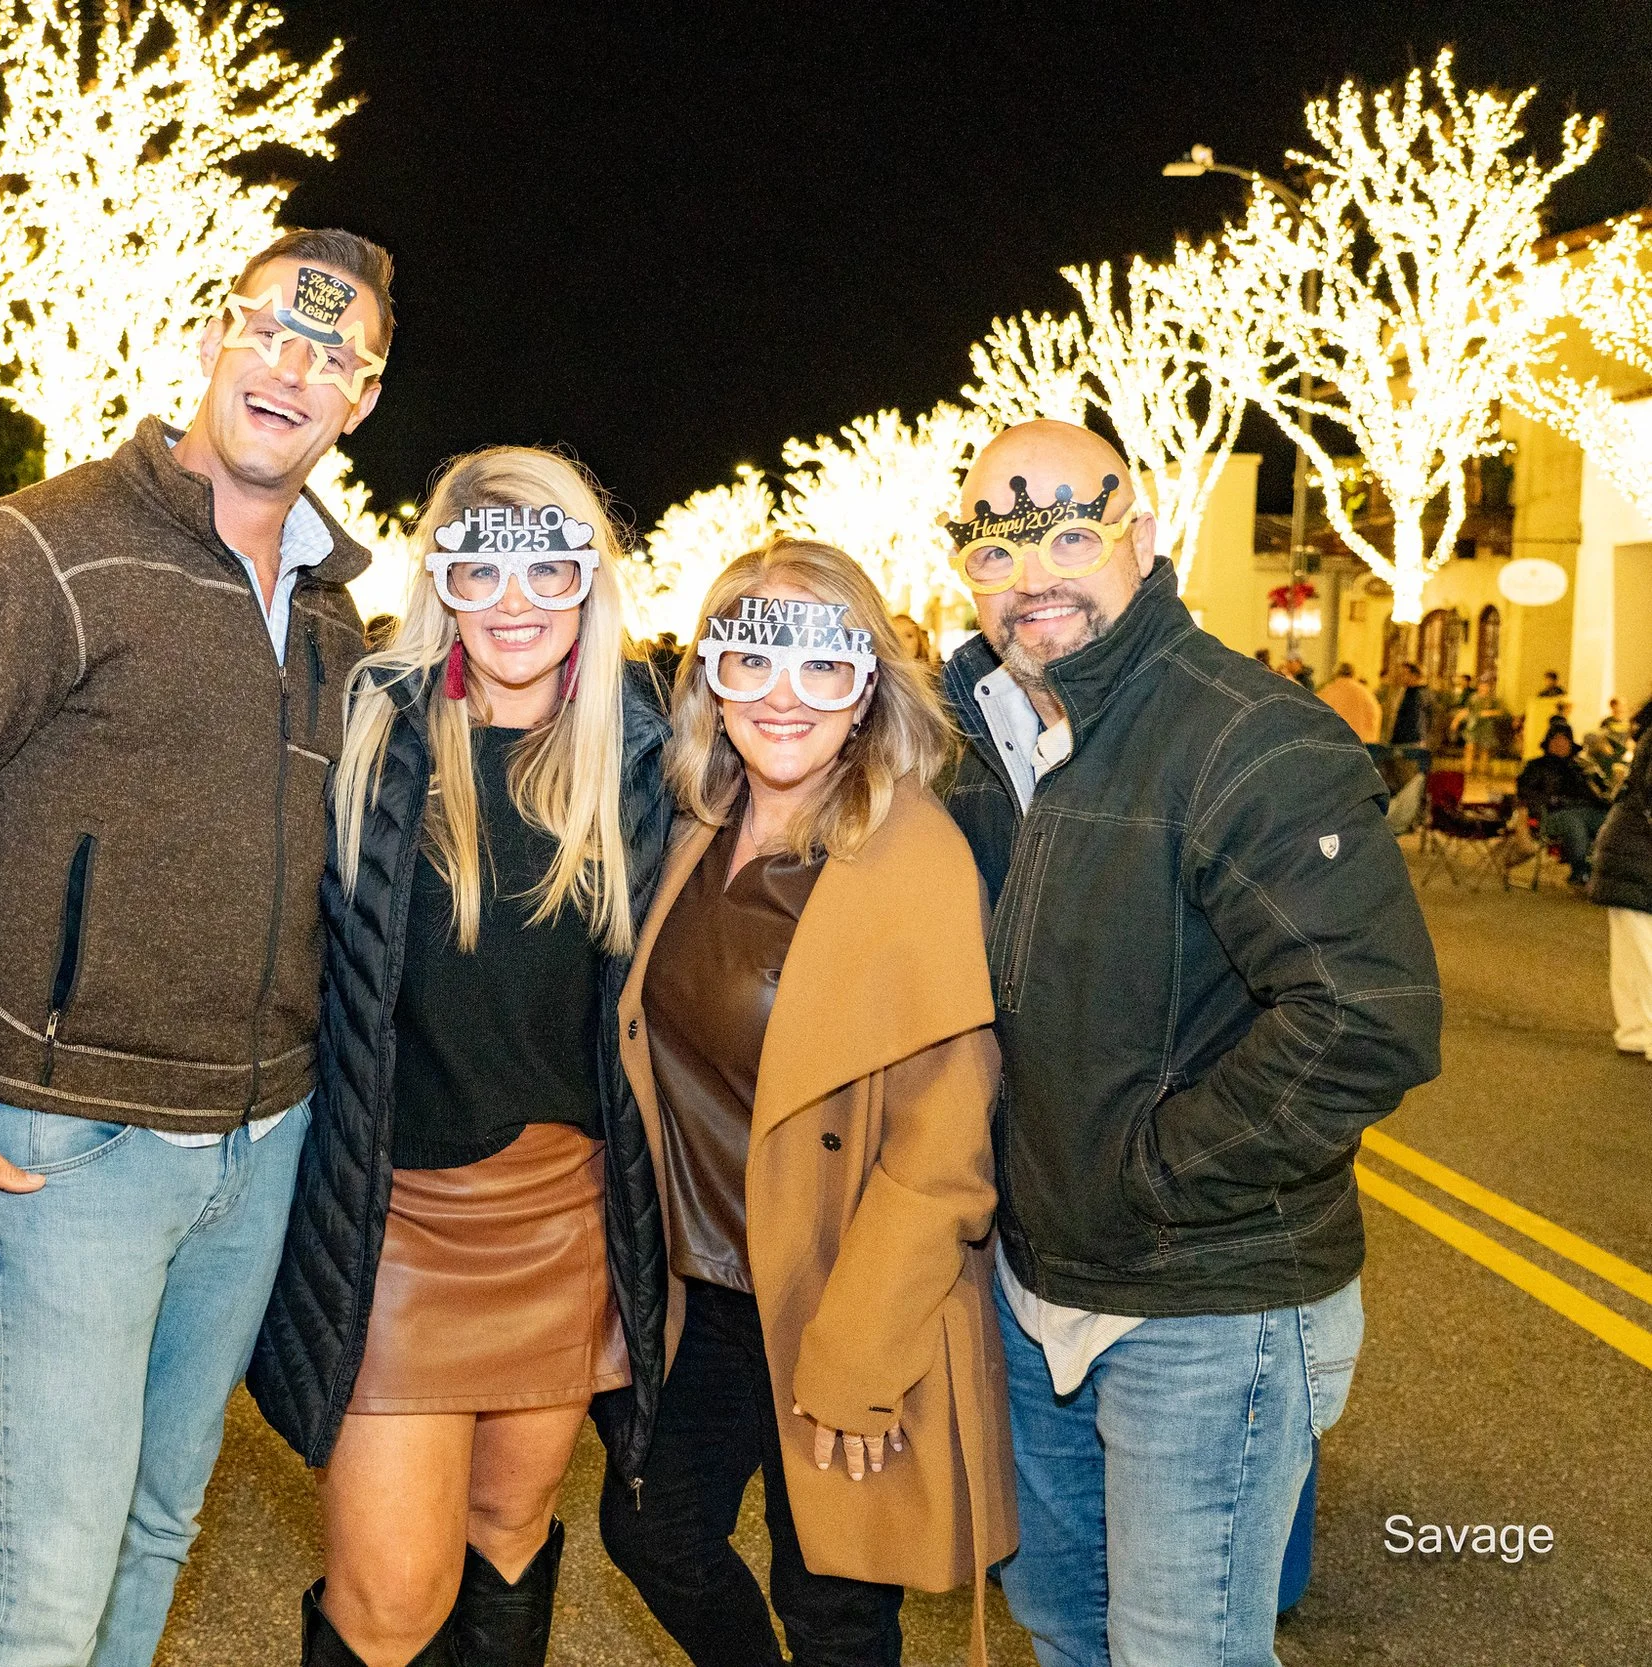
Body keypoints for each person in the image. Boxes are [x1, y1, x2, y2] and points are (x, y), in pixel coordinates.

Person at [0, 226, 393, 1667]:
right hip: (65, 1150)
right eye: (270, 331)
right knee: (36, 1590)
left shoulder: (328, 606)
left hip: (256, 1149)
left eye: (333, 355)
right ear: (212, 334)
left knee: (150, 1536)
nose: (290, 369)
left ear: (361, 400)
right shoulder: (45, 548)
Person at [938, 421, 1442, 1667]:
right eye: (998, 544)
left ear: (1141, 537)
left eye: (1069, 532)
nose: (1035, 571)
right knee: (1062, 1623)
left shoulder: (1245, 733)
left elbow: (1365, 1016)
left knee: (1183, 1650)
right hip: (1029, 1285)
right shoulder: (980, 743)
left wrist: (1148, 1174)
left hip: (1202, 1302)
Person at [247, 449, 670, 1667]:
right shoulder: (367, 726)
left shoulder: (643, 753)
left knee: (507, 1531)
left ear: (593, 577)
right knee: (390, 1595)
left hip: (562, 1216)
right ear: (442, 578)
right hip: (394, 1226)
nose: (517, 599)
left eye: (550, 564)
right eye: (480, 568)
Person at [603, 540, 1014, 1667]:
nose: (782, 697)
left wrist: (856, 1353)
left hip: (834, 1290)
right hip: (705, 1288)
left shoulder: (909, 856)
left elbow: (942, 1156)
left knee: (832, 1596)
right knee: (651, 1527)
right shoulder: (696, 824)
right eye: (751, 661)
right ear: (710, 681)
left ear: (866, 684)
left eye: (821, 666)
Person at [1589, 760, 1652, 1060]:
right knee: (1644, 951)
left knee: (1633, 951)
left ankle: (1635, 1031)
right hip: (1638, 855)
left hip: (1628, 850)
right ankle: (1640, 1032)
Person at [1517, 725, 1608, 888]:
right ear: (1548, 743)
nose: (1560, 743)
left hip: (1586, 809)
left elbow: (1597, 792)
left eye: (1564, 739)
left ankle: (1605, 872)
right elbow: (1526, 793)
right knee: (1574, 823)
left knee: (1610, 823)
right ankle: (1580, 871)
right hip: (1552, 814)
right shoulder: (1536, 766)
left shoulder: (1580, 767)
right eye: (1556, 739)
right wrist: (1551, 801)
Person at [1317, 661, 1381, 744]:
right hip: (1363, 745)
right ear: (1354, 674)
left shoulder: (1327, 692)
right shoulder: (1367, 694)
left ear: (1336, 674)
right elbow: (1375, 717)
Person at [1387, 660, 1432, 750]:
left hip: (1411, 742)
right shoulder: (1409, 692)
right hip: (1405, 741)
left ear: (1414, 676)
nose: (1400, 677)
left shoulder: (1419, 694)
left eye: (1404, 674)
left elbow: (1416, 720)